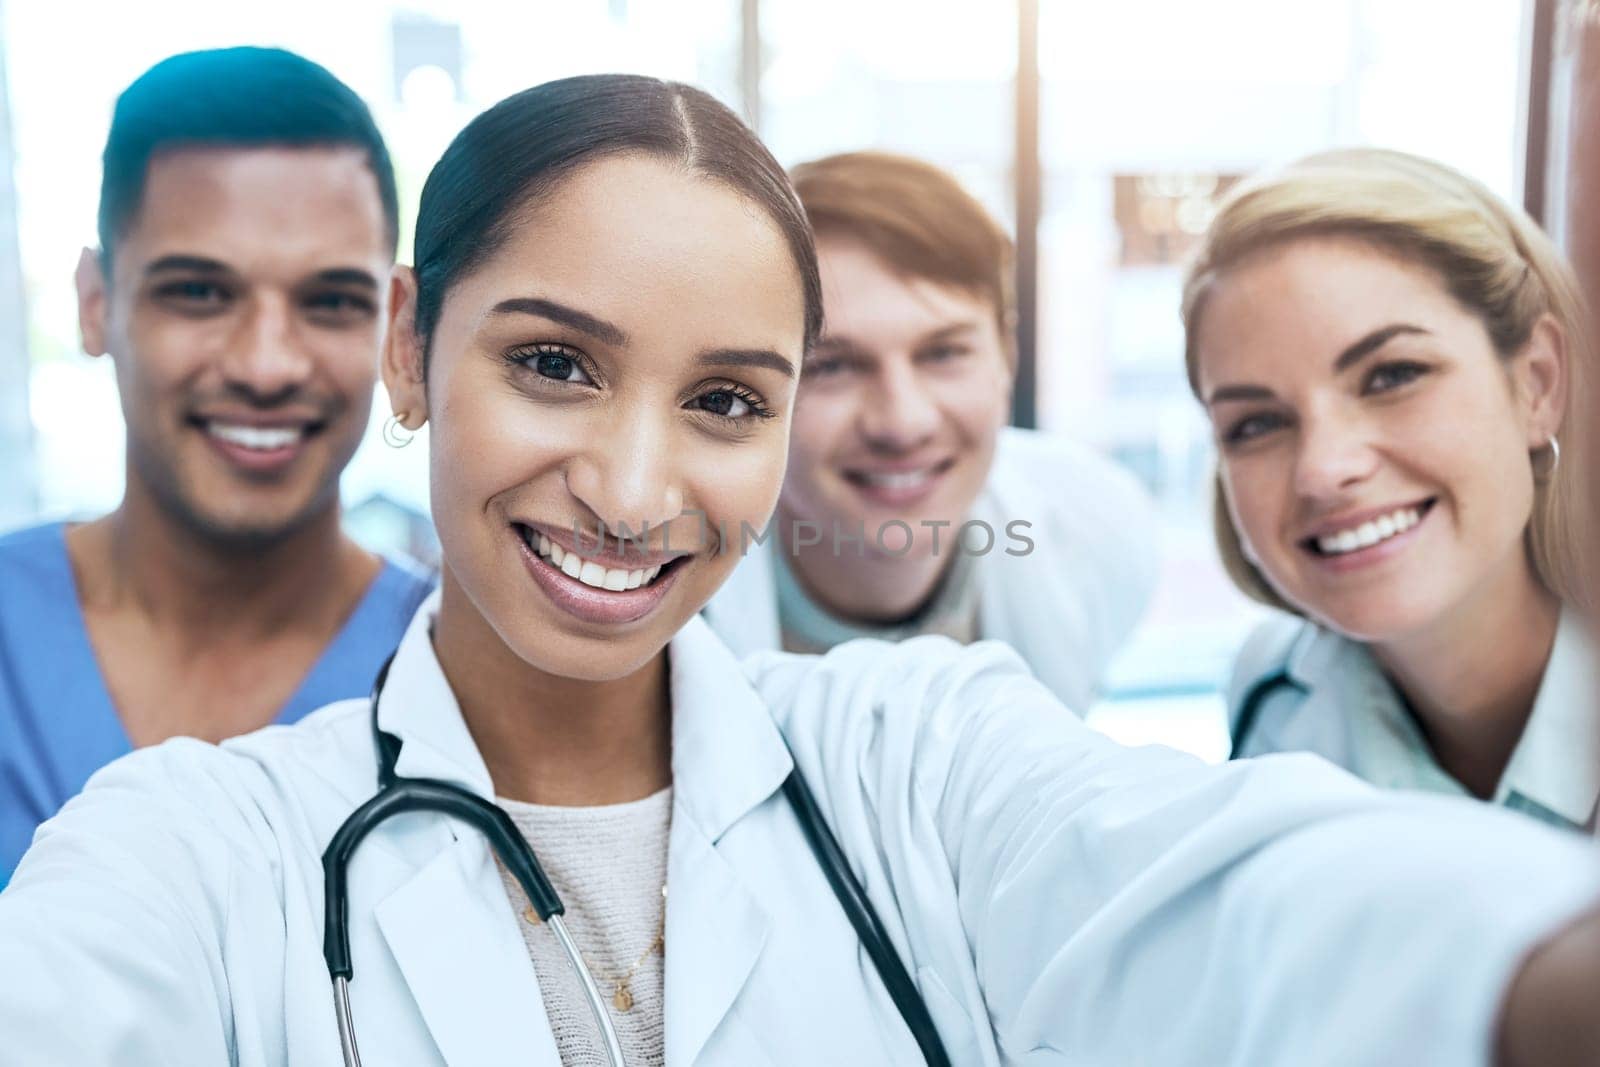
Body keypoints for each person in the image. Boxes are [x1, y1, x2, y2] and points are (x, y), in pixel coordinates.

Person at [4, 75, 1600, 1067]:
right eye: (556, 362)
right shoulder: (194, 853)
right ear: (413, 350)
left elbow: (1251, 893)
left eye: (723, 402)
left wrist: (1540, 975)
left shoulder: (920, 750)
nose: (634, 490)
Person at [0, 47, 432, 882]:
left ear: (395, 327)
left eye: (330, 301)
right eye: (199, 292)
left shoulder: (463, 673)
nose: (266, 366)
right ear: (96, 304)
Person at [1185, 148, 1598, 830]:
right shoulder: (1271, 697)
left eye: (1392, 375)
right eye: (1256, 423)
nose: (1323, 469)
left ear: (1537, 384)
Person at [705, 152, 1157, 711]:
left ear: (1006, 356)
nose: (902, 423)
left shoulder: (1097, 528)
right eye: (833, 366)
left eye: (943, 353)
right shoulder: (673, 588)